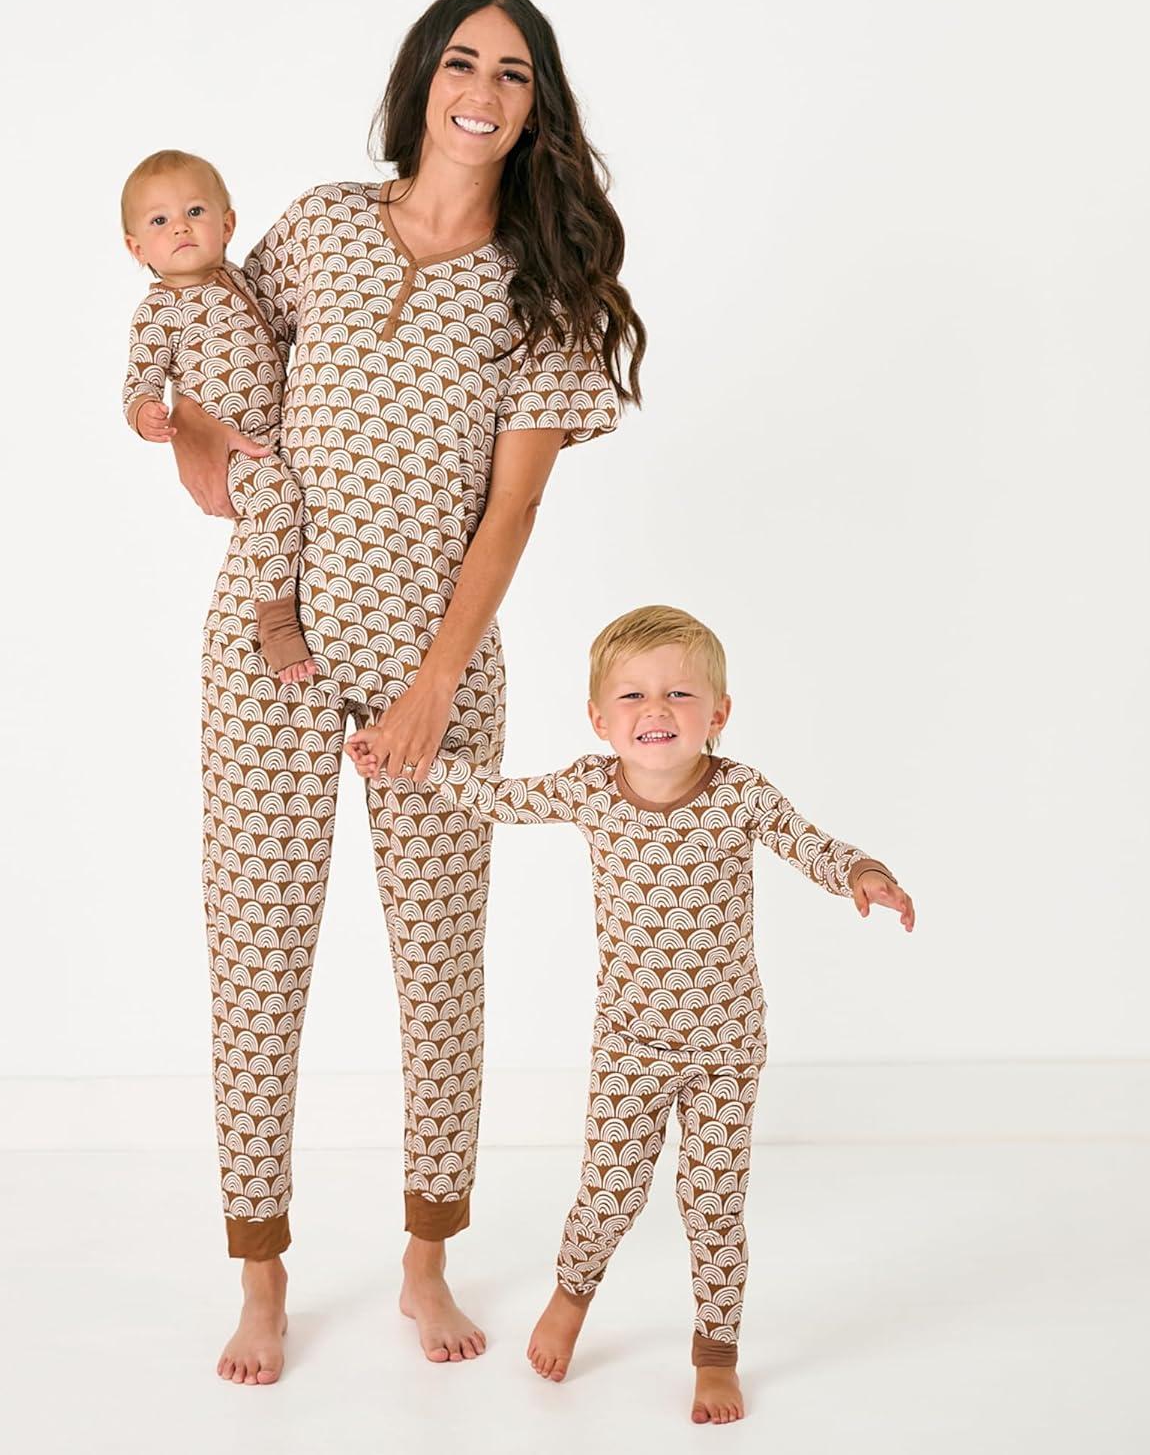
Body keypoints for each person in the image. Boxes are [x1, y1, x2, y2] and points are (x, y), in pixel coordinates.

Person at [162, 0, 646, 1384]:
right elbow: (211, 346)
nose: (482, 89)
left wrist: (435, 683)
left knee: (438, 964)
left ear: (537, 107)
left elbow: (512, 511)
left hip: (436, 663)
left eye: (513, 72)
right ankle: (261, 1276)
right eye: (462, 62)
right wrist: (195, 444)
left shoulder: (541, 287)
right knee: (257, 958)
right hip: (267, 644)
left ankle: (425, 1262)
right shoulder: (319, 225)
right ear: (423, 79)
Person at [345, 605, 916, 1424]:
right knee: (609, 1192)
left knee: (713, 1205)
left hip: (727, 1045)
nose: (657, 710)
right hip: (630, 1044)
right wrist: (407, 761)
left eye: (680, 693)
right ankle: (571, 1298)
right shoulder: (590, 788)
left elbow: (808, 842)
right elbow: (498, 799)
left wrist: (861, 872)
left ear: (718, 713)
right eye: (634, 696)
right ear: (599, 719)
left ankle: (715, 1356)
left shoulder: (740, 794)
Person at [121, 150, 315, 682]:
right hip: (232, 448)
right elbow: (140, 378)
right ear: (137, 249)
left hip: (279, 430)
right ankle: (277, 626)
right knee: (277, 501)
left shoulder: (239, 279)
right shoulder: (159, 311)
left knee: (303, 503)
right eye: (159, 221)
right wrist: (146, 413)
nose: (180, 227)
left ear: (227, 225)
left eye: (195, 212)